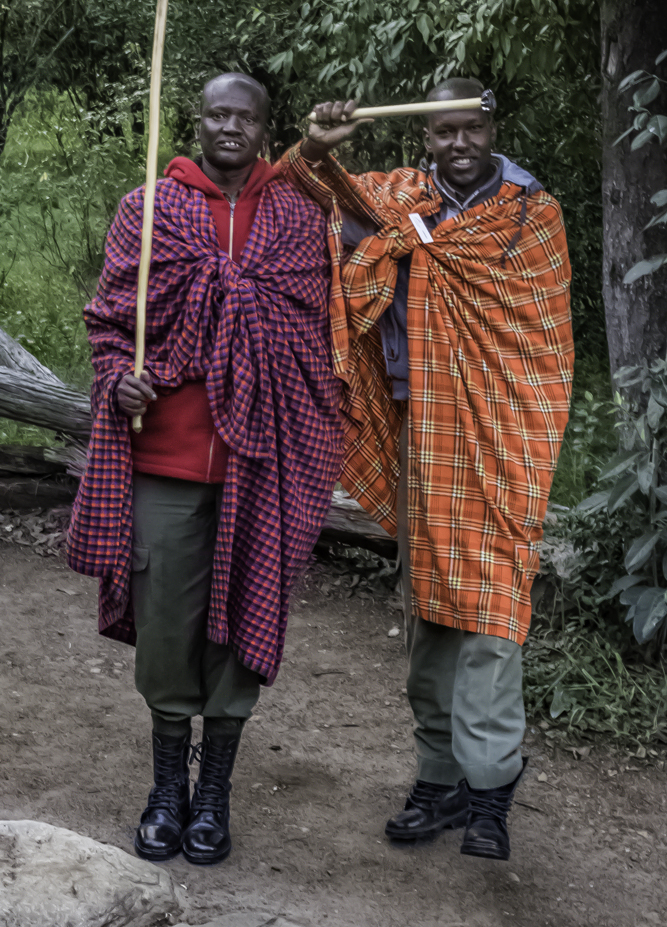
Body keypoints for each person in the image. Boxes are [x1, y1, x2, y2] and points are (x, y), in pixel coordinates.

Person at [278, 77, 574, 861]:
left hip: (502, 432)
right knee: (430, 604)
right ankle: (439, 780)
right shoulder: (399, 199)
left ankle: (490, 791)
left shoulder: (528, 215)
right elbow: (301, 195)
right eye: (443, 133)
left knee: (492, 605)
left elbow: (543, 341)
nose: (457, 144)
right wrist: (316, 145)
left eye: (468, 129)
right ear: (425, 139)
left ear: (490, 127)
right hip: (419, 431)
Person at [67, 73, 345, 865]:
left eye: (244, 117)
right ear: (198, 123)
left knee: (242, 623)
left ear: (264, 129)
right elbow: (109, 321)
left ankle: (213, 793)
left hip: (262, 464)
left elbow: (316, 331)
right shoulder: (148, 209)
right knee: (165, 630)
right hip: (165, 460)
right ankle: (167, 790)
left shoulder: (297, 217)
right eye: (217, 114)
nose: (229, 127)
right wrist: (118, 380)